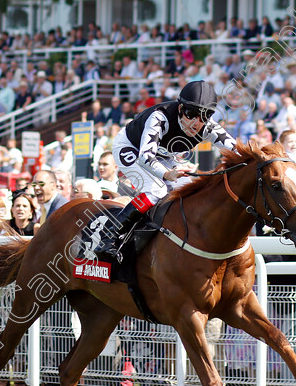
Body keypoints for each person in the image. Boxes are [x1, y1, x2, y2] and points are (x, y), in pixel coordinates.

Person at [96, 81, 236, 261]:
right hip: (132, 148)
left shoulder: (209, 127)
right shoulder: (159, 117)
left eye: (205, 115)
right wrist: (166, 174)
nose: (196, 122)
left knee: (190, 186)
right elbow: (145, 157)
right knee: (157, 189)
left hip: (162, 156)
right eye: (191, 113)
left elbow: (238, 150)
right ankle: (110, 236)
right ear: (180, 108)